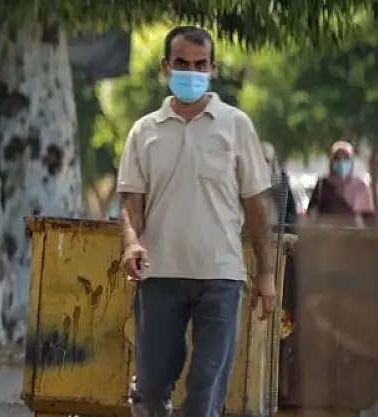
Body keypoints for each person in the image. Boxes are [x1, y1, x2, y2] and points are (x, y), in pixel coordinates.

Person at [116, 26, 276, 417]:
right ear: (165, 67)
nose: (191, 72)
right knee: (151, 389)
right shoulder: (144, 131)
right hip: (159, 274)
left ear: (213, 68)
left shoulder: (236, 126)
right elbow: (131, 200)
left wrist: (267, 273)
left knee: (205, 393)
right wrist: (131, 243)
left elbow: (256, 205)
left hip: (220, 276)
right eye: (182, 63)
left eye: (200, 64)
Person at [307, 141, 375, 226]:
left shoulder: (360, 186)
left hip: (352, 232)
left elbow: (368, 218)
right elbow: (311, 212)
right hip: (328, 232)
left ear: (351, 161)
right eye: (337, 158)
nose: (341, 162)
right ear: (332, 161)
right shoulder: (322, 184)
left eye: (346, 158)